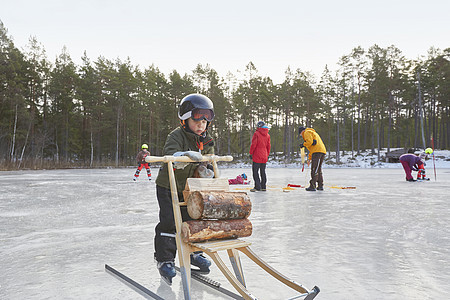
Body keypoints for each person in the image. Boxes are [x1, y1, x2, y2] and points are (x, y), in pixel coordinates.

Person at [154, 93, 215, 285]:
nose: (201, 124)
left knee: (192, 220)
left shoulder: (207, 140)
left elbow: (209, 160)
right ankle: (165, 259)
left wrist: (207, 170)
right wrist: (183, 155)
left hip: (190, 188)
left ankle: (194, 254)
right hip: (168, 187)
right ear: (185, 118)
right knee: (170, 223)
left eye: (206, 120)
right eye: (197, 118)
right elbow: (170, 155)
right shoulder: (176, 135)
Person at [299, 126, 326, 191]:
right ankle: (320, 185)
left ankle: (312, 186)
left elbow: (309, 142)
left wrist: (303, 144)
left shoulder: (306, 132)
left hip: (318, 152)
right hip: (318, 151)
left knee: (314, 169)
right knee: (318, 169)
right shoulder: (312, 133)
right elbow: (311, 147)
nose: (301, 135)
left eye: (300, 134)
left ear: (301, 132)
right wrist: (309, 159)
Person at [249, 121, 271, 192]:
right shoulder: (267, 135)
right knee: (263, 171)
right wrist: (267, 154)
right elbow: (268, 146)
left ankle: (257, 187)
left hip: (257, 155)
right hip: (264, 155)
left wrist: (251, 153)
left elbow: (253, 145)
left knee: (255, 171)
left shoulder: (256, 134)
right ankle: (263, 186)